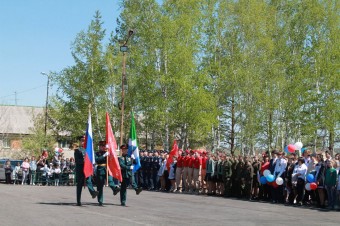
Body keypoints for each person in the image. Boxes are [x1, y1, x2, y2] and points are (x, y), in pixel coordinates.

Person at [95, 141, 121, 206]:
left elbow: (112, 160)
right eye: (102, 146)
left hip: (107, 169)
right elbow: (97, 160)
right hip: (100, 169)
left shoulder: (107, 153)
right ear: (99, 147)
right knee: (100, 186)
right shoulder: (97, 153)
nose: (103, 147)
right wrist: (103, 156)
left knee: (110, 180)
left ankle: (114, 189)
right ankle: (100, 201)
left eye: (104, 146)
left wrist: (109, 154)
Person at [74, 137, 98, 206]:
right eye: (82, 141)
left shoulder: (88, 150)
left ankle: (93, 192)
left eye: (84, 141)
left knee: (89, 181)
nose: (83, 142)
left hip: (87, 169)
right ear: (80, 141)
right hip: (80, 170)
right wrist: (83, 161)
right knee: (79, 186)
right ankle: (78, 201)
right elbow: (77, 161)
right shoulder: (77, 150)